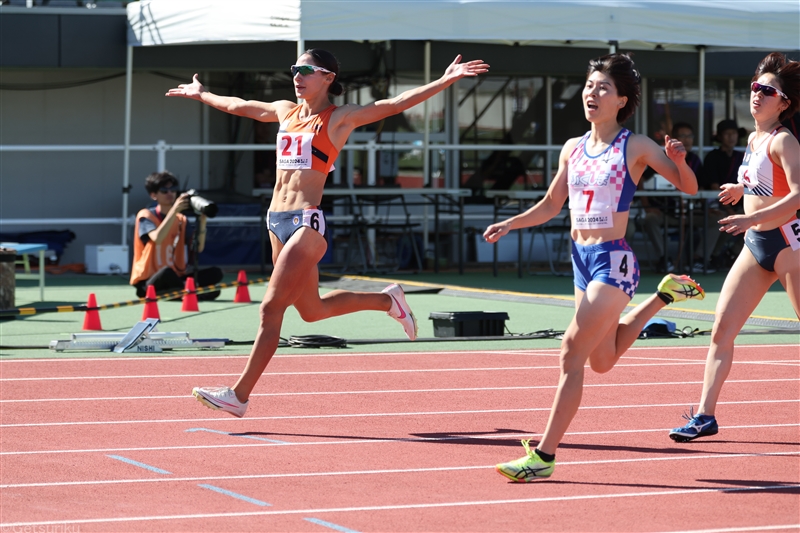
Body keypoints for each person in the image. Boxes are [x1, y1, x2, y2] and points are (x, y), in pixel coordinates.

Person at [166, 49, 489, 417]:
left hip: (307, 222)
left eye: (306, 70)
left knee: (272, 308)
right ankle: (388, 301)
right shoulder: (285, 110)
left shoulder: (339, 118)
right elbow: (239, 105)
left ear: (328, 78)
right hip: (276, 220)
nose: (297, 76)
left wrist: (445, 80)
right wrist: (201, 93)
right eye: (295, 69)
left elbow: (396, 103)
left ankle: (239, 395)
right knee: (312, 311)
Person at [483, 53, 705, 482]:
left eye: (603, 87)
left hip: (613, 260)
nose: (592, 93)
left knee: (571, 351)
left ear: (621, 100)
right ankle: (664, 296)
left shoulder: (635, 145)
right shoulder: (573, 148)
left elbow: (690, 188)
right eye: (589, 85)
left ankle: (544, 456)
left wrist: (679, 159)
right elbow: (551, 205)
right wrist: (510, 223)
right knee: (600, 360)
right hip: (580, 261)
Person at [669, 52, 800, 443]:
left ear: (784, 103)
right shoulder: (753, 137)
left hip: (788, 243)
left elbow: (797, 195)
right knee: (722, 330)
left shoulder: (784, 141)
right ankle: (705, 415)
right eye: (754, 88)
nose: (756, 95)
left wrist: (748, 218)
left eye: (767, 90)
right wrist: (741, 190)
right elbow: (765, 182)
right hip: (756, 243)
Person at [635, 122, 717, 272]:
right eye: (682, 136)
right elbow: (641, 178)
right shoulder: (662, 158)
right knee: (650, 219)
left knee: (716, 220)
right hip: (665, 212)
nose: (686, 140)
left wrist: (707, 208)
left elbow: (701, 186)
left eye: (690, 136)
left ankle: (698, 259)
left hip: (690, 213)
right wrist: (648, 206)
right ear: (673, 139)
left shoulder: (695, 160)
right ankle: (664, 259)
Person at [130, 171, 223, 300]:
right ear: (153, 195)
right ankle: (188, 291)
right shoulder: (145, 215)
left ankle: (180, 291)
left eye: (173, 190)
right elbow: (158, 238)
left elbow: (198, 248)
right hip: (149, 281)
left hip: (175, 276)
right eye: (164, 190)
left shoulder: (181, 220)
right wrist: (175, 210)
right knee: (166, 272)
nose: (170, 194)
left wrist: (202, 222)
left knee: (215, 273)